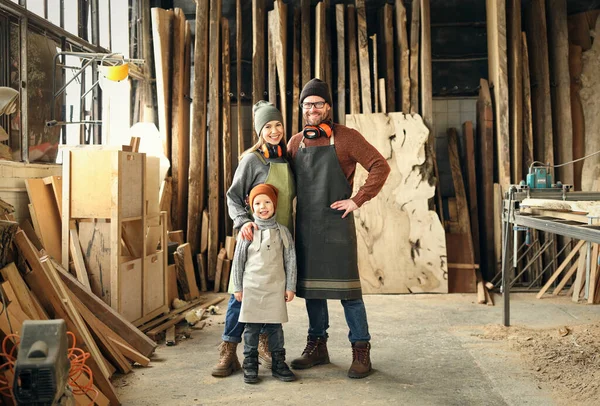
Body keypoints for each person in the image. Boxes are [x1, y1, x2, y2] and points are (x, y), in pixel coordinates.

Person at [287, 78, 390, 379]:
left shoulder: (346, 138)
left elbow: (380, 166)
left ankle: (361, 350)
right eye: (308, 104)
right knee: (313, 292)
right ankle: (317, 345)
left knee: (349, 293)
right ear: (302, 109)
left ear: (328, 107)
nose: (313, 109)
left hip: (337, 227)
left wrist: (357, 200)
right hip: (307, 227)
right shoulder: (295, 143)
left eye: (318, 103)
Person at [212, 101, 296, 377]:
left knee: (272, 296)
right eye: (268, 126)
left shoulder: (286, 159)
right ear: (260, 131)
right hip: (255, 236)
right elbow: (233, 196)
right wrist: (244, 221)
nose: (274, 131)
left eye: (278, 125)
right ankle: (229, 350)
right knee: (241, 296)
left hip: (280, 237)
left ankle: (264, 346)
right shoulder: (252, 160)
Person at [231, 183, 297, 384]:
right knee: (251, 328)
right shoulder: (247, 231)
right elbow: (238, 261)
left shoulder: (283, 232)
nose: (263, 206)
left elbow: (291, 259)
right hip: (252, 287)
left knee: (275, 327)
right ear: (252, 207)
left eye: (267, 202)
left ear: (274, 205)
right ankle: (250, 362)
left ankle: (279, 362)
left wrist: (290, 286)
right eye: (257, 203)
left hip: (275, 287)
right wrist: (237, 287)